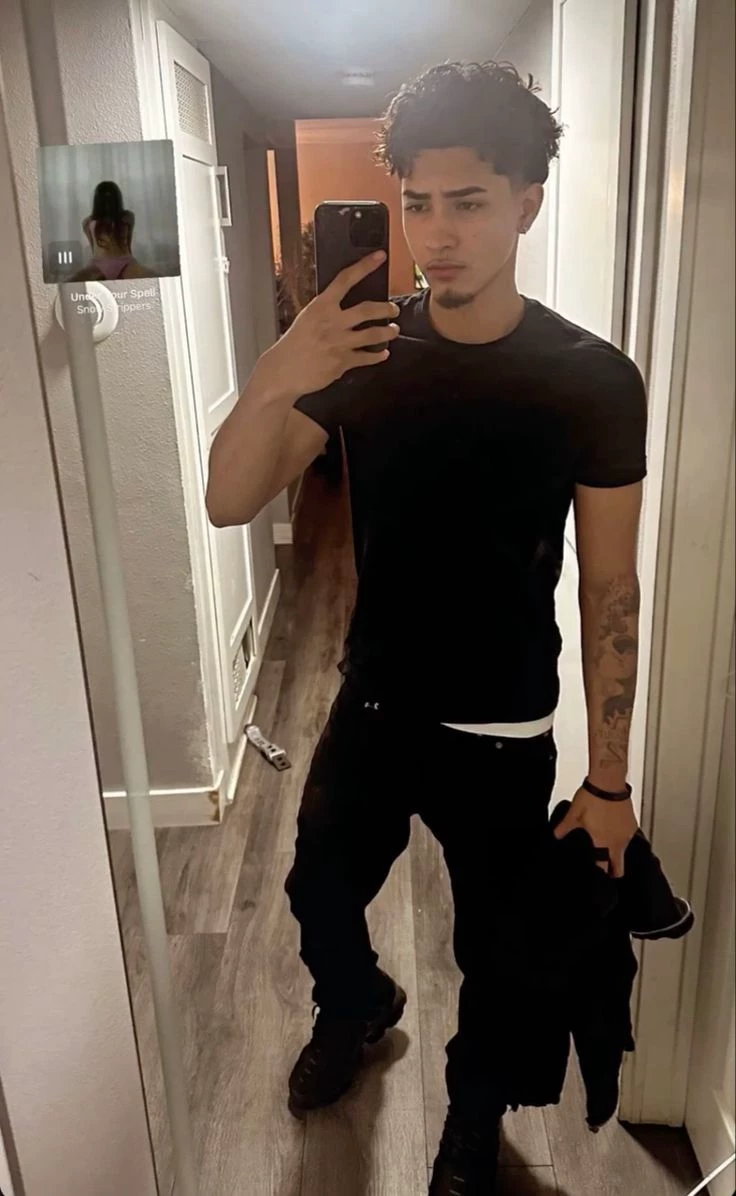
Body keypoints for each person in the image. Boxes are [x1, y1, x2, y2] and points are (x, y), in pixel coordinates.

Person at [206, 61, 646, 1195]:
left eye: (469, 202)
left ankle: (472, 1113)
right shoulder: (364, 353)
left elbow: (611, 587)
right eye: (417, 203)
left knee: (497, 952)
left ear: (526, 204)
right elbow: (227, 497)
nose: (437, 233)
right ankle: (356, 1003)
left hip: (504, 721)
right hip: (375, 694)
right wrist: (278, 371)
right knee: (314, 887)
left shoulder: (593, 380)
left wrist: (607, 779)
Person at [66, 180, 155, 281]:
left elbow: (128, 245)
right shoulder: (88, 222)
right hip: (99, 264)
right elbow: (93, 248)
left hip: (124, 262)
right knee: (70, 281)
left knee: (154, 277)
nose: (107, 203)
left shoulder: (127, 217)